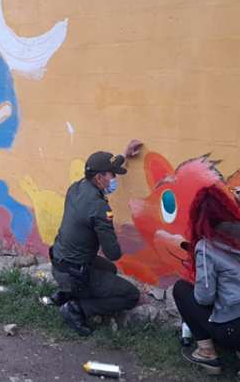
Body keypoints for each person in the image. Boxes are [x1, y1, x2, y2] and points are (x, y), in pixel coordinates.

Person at [172, 185, 240, 377]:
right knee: (237, 307)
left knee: (181, 290)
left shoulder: (206, 247)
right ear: (228, 209)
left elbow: (204, 298)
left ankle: (207, 353)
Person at [49, 140, 143, 336]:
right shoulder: (100, 208)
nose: (115, 178)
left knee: (109, 270)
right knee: (131, 295)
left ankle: (65, 293)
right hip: (73, 273)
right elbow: (113, 253)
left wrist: (123, 155)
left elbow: (101, 166)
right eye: (112, 174)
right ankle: (77, 309)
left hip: (59, 263)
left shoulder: (75, 187)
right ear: (100, 178)